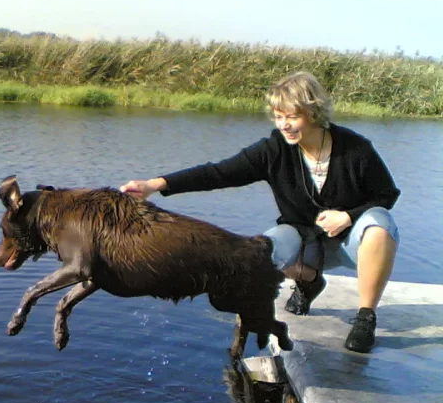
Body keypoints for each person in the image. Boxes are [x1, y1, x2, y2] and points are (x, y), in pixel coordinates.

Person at [120, 71, 400, 353]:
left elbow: (387, 194)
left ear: (313, 112)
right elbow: (219, 173)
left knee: (379, 224)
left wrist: (348, 216)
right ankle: (309, 283)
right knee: (259, 254)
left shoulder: (355, 148)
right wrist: (155, 185)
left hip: (355, 245)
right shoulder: (275, 149)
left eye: (292, 117)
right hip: (305, 241)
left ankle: (365, 317)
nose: (284, 125)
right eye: (278, 117)